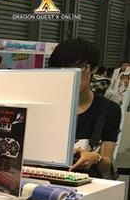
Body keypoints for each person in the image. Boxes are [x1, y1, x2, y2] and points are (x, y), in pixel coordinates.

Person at [48, 38, 121, 177]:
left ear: (94, 68)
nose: (73, 74)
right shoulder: (45, 106)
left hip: (87, 183)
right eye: (65, 69)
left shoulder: (109, 110)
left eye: (80, 67)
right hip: (42, 180)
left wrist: (96, 158)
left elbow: (106, 164)